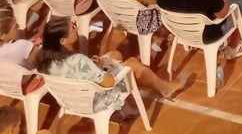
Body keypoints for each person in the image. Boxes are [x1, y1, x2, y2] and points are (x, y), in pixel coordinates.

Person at [35, 15, 191, 113]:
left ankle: (129, 107)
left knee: (115, 55)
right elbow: (108, 82)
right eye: (73, 28)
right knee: (132, 64)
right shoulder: (78, 61)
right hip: (94, 100)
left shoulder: (44, 59)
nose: (76, 28)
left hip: (70, 99)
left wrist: (96, 65)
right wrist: (112, 69)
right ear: (63, 41)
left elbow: (76, 72)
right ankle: (165, 88)